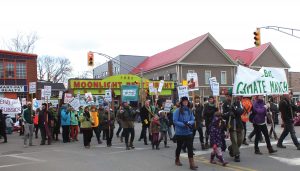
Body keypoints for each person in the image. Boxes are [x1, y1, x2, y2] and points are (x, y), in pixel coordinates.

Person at [173, 96, 197, 170]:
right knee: (179, 147)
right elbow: (175, 121)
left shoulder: (190, 110)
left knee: (190, 148)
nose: (185, 102)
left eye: (186, 101)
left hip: (188, 132)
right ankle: (177, 159)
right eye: (184, 101)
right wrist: (183, 124)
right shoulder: (177, 111)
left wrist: (189, 123)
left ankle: (191, 163)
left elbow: (193, 119)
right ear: (181, 102)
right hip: (180, 133)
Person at [224, 96, 244, 162]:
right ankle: (237, 155)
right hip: (231, 125)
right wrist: (229, 113)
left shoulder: (238, 103)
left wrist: (234, 109)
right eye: (230, 96)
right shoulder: (225, 103)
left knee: (240, 141)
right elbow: (224, 114)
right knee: (234, 141)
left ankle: (231, 148)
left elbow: (241, 111)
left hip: (239, 124)